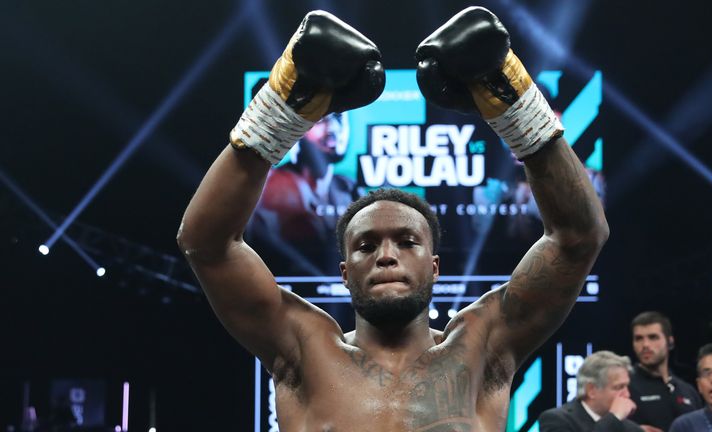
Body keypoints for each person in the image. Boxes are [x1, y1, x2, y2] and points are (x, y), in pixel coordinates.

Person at [177, 7, 608, 430]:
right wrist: (276, 112)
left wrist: (517, 107)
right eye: (366, 245)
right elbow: (206, 245)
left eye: (407, 241)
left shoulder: (482, 348)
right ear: (344, 272)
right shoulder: (303, 349)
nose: (386, 255)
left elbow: (578, 238)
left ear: (435, 266)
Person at [249, 111, 359, 244]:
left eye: (338, 117)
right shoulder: (270, 187)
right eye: (320, 120)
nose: (333, 128)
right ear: (295, 129)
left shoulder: (349, 189)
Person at [629, 311, 702, 431]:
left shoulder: (688, 391)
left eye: (653, 337)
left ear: (670, 342)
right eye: (639, 338)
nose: (645, 344)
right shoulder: (624, 387)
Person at [539, 351, 643, 432]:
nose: (627, 394)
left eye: (626, 386)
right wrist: (614, 417)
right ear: (591, 390)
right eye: (618, 387)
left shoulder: (631, 429)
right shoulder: (556, 420)